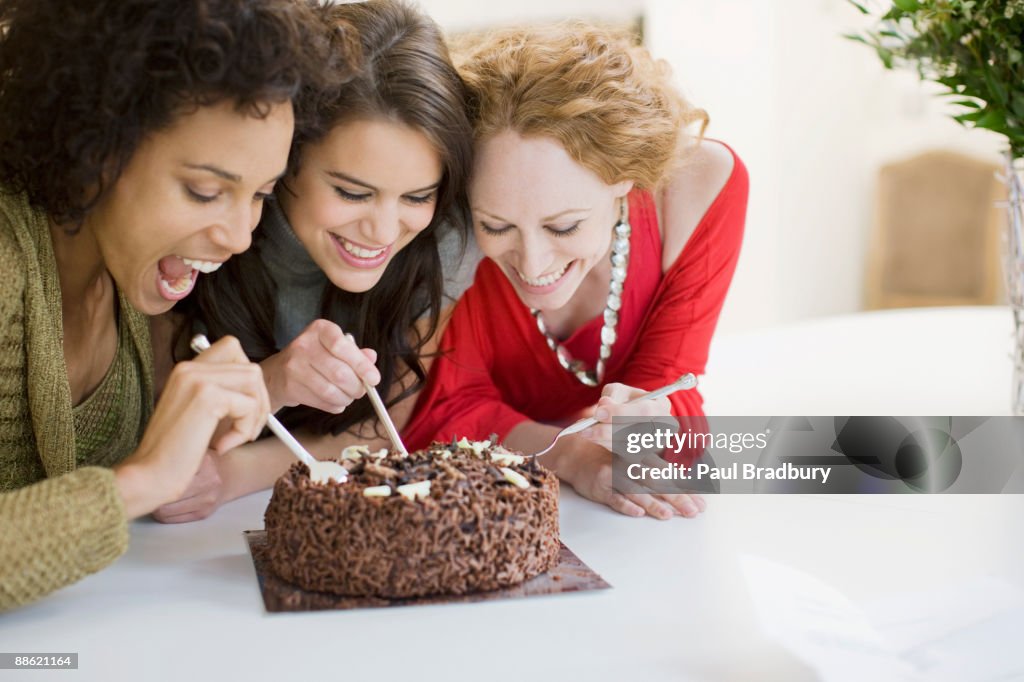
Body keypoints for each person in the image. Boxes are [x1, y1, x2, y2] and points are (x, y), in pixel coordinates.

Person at [0, 0, 340, 610]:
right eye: (205, 191)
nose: (239, 236)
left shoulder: (135, 288)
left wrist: (268, 385)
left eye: (259, 194)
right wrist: (141, 479)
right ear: (92, 145)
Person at [402, 23, 749, 520]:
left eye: (564, 226)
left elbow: (673, 384)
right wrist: (569, 455)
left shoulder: (700, 188)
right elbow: (443, 413)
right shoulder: (450, 239)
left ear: (624, 177)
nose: (533, 263)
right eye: (496, 225)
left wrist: (654, 419)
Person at [153, 0, 476, 523]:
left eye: (417, 196)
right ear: (287, 159)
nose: (383, 230)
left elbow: (385, 423)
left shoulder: (445, 238)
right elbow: (151, 421)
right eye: (352, 192)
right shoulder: (214, 233)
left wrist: (235, 474)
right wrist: (273, 382)